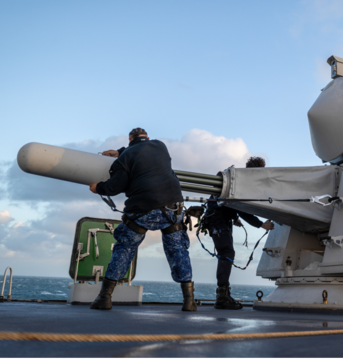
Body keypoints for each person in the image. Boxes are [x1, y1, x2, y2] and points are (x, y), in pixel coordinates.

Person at [89, 128, 196, 311]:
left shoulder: (124, 159)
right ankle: (189, 301)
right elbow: (142, 152)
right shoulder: (160, 146)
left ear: (130, 139)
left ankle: (104, 298)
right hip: (172, 207)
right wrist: (120, 151)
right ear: (147, 137)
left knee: (125, 247)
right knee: (178, 250)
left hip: (142, 210)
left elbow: (115, 186)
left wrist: (98, 187)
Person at [195, 156, 276, 310]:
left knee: (226, 254)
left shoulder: (234, 180)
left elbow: (225, 204)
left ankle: (223, 294)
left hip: (217, 222)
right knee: (226, 253)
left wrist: (233, 218)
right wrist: (261, 224)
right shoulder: (241, 183)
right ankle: (222, 297)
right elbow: (241, 208)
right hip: (218, 224)